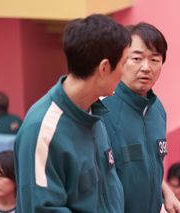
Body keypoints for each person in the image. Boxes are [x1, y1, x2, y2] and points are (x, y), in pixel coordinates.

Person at [14, 14, 130, 212]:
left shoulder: (94, 113)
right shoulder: (42, 130)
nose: (126, 71)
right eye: (124, 63)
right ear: (104, 67)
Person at [102, 22, 180, 213]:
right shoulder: (101, 112)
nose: (146, 67)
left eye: (154, 60)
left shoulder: (158, 110)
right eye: (137, 58)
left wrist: (167, 192)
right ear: (120, 61)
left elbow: (149, 165)